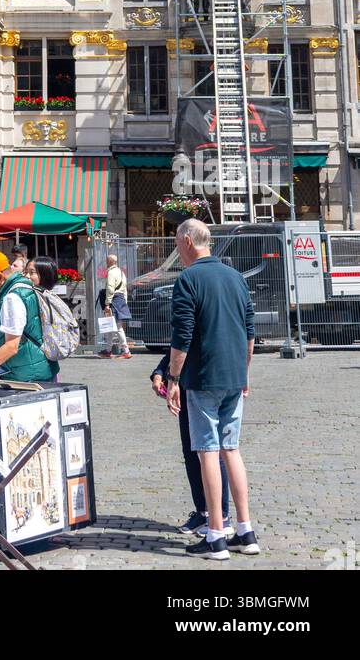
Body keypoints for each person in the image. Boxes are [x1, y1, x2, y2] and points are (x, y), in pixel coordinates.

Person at [167, 219, 259, 561]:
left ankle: (217, 534)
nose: (177, 249)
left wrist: (173, 379)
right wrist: (244, 371)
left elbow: (182, 337)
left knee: (207, 450)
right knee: (231, 449)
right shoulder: (235, 277)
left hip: (203, 377)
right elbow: (249, 330)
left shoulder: (188, 279)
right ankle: (246, 530)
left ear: (189, 240)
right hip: (234, 375)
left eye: (177, 242)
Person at [150, 352, 230, 538]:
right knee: (192, 452)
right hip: (190, 381)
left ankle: (221, 517)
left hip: (203, 381)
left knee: (211, 453)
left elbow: (184, 339)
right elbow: (178, 342)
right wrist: (160, 371)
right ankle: (204, 512)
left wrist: (172, 379)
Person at [0, 256, 58, 382]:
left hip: (27, 375)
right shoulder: (24, 287)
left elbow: (11, 346)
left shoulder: (11, 297)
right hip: (39, 367)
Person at [99, 253, 132, 360]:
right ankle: (108, 350)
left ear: (109, 262)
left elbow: (110, 289)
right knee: (110, 325)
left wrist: (107, 303)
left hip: (114, 300)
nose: (106, 263)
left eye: (107, 261)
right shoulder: (122, 273)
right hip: (121, 299)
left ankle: (126, 351)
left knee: (118, 327)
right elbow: (125, 289)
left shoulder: (111, 273)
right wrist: (125, 302)